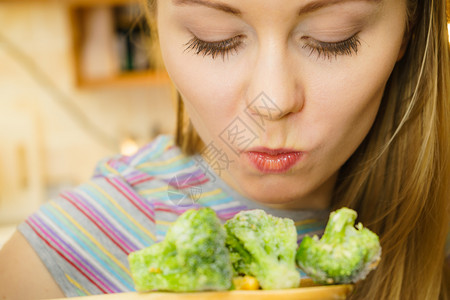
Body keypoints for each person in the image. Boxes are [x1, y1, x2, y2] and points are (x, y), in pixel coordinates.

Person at [0, 0, 449, 299]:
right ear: (157, 21)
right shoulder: (59, 256)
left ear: (408, 31)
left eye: (335, 37)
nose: (270, 100)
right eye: (213, 38)